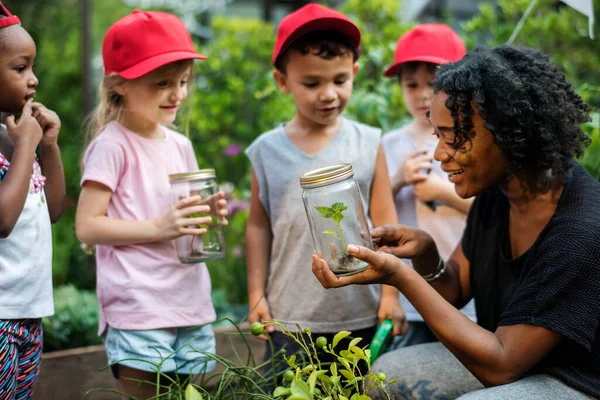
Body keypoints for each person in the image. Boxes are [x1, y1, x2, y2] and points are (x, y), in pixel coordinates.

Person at [312, 45, 600, 399]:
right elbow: (454, 289)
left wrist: (399, 276)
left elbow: (501, 365)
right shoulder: (500, 193)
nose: (439, 154)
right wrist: (425, 254)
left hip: (574, 380)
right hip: (515, 361)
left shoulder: (580, 230)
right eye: (438, 135)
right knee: (386, 376)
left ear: (510, 132)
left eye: (456, 136)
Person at [75, 10, 228, 399]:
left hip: (187, 300)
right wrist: (157, 228)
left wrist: (205, 217)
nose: (177, 94)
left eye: (183, 82)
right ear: (119, 84)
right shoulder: (112, 145)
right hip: (139, 307)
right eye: (163, 83)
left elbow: (185, 223)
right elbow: (87, 226)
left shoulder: (181, 145)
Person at [245, 2, 405, 371]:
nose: (328, 94)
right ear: (282, 81)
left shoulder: (368, 142)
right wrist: (256, 295)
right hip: (290, 317)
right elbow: (256, 227)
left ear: (355, 72)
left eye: (339, 80)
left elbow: (386, 221)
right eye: (312, 83)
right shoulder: (267, 151)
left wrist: (391, 295)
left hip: (361, 314)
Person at [381, 24, 476, 349]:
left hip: (467, 290)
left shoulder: (473, 143)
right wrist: (398, 181)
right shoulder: (388, 145)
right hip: (412, 297)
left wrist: (441, 193)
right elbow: (373, 211)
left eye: (433, 84)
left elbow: (490, 210)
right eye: (411, 85)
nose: (422, 94)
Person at [0, 2, 66, 398]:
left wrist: (49, 146)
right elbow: (3, 221)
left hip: (28, 313)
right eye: (20, 68)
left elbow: (54, 209)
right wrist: (27, 146)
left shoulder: (17, 137)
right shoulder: (18, 142)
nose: (34, 79)